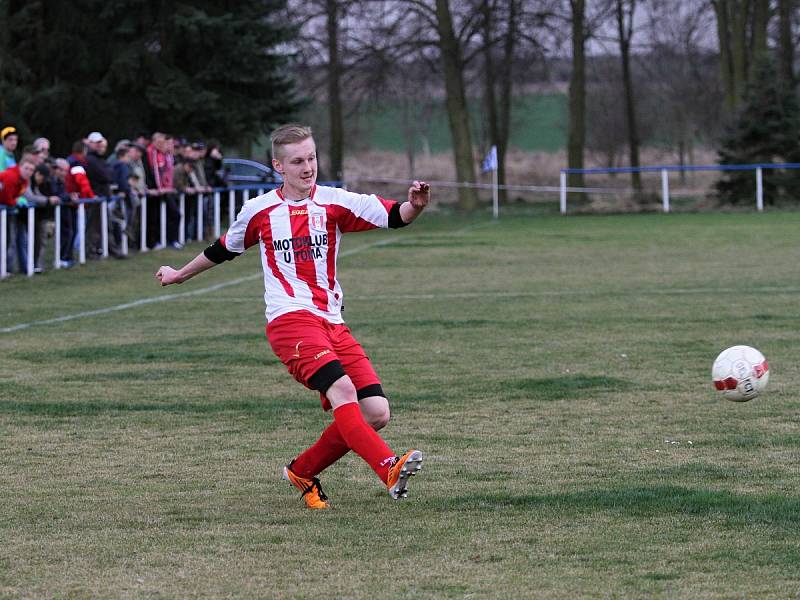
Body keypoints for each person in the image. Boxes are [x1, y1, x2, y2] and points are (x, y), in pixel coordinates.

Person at [155, 124, 429, 509]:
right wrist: (179, 274)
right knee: (344, 392)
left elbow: (394, 216)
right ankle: (387, 466)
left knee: (376, 412)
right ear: (278, 166)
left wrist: (414, 206)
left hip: (332, 321)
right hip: (290, 321)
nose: (307, 167)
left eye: (312, 158)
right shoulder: (259, 210)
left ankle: (301, 470)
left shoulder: (335, 201)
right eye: (297, 161)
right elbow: (222, 249)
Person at [0, 157, 36, 273]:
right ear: (20, 167)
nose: (28, 172)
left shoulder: (24, 181)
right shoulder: (11, 176)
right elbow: (6, 198)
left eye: (31, 170)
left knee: (8, 239)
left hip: (6, 211)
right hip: (4, 208)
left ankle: (5, 269)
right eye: (26, 168)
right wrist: (16, 201)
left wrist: (16, 200)